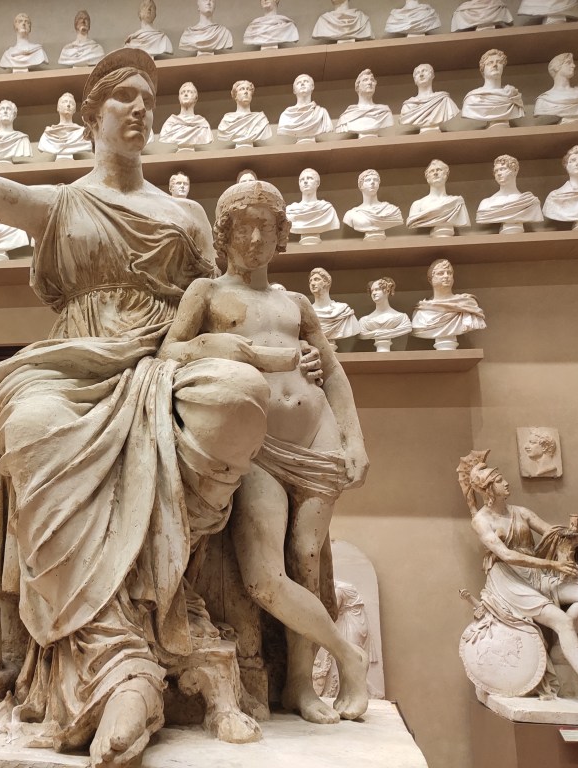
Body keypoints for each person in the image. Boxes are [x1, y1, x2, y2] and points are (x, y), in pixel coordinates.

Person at [0, 6, 319, 764]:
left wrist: (284, 351)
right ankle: (122, 669)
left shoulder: (185, 215)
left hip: (168, 357)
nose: (141, 108)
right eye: (124, 97)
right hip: (72, 363)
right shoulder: (60, 204)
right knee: (33, 426)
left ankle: (156, 605)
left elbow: (225, 301)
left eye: (150, 99)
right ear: (92, 115)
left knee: (237, 399)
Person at [158, 179, 370, 724]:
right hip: (259, 447)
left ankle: (301, 684)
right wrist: (220, 346)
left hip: (317, 435)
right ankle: (349, 656)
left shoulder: (295, 302)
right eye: (243, 227)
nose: (254, 239)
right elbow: (170, 352)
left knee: (308, 557)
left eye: (265, 228)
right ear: (224, 234)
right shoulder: (206, 293)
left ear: (281, 235)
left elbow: (334, 370)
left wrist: (354, 439)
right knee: (263, 577)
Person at [458, 453, 578, 713]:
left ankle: (560, 649)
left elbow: (555, 535)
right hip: (509, 583)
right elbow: (508, 555)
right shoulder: (482, 521)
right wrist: (553, 565)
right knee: (562, 621)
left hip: (535, 576)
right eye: (499, 481)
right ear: (488, 490)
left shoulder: (521, 512)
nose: (506, 483)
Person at [411, 259, 486, 350]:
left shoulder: (466, 304)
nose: (446, 276)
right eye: (440, 273)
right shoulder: (421, 311)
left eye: (449, 273)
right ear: (430, 279)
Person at [461, 49, 525, 128]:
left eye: (499, 62)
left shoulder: (513, 96)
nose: (495, 65)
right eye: (490, 63)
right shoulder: (472, 99)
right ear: (482, 70)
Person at [407, 159, 470, 237]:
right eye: (431, 171)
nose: (435, 173)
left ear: (446, 174)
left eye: (439, 170)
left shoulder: (457, 202)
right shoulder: (417, 205)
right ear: (427, 177)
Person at [535, 53, 578, 123]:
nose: (573, 66)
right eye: (568, 63)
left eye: (573, 63)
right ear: (556, 67)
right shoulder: (543, 100)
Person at [399, 64, 459, 134]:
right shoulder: (408, 106)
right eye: (417, 73)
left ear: (432, 75)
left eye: (424, 71)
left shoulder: (444, 100)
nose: (421, 75)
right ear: (415, 79)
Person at [357, 277, 412, 352]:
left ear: (387, 290)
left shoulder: (402, 318)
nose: (374, 293)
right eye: (372, 291)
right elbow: (362, 334)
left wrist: (376, 333)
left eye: (377, 289)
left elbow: (407, 328)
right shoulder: (364, 321)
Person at [335, 69, 392, 138]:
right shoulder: (346, 116)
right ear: (358, 86)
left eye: (372, 80)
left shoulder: (384, 112)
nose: (370, 82)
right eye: (365, 80)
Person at [277, 74, 332, 143]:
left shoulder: (322, 113)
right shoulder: (285, 116)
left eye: (306, 81)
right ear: (294, 90)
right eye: (298, 83)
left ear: (312, 86)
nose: (302, 84)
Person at [157, 82, 213, 150]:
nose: (185, 94)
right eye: (182, 92)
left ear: (196, 98)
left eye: (189, 92)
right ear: (179, 98)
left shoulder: (203, 124)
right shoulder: (170, 123)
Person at [38, 93, 93, 159]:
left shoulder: (82, 133)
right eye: (64, 102)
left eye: (71, 103)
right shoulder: (47, 135)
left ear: (74, 110)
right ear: (58, 108)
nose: (68, 105)